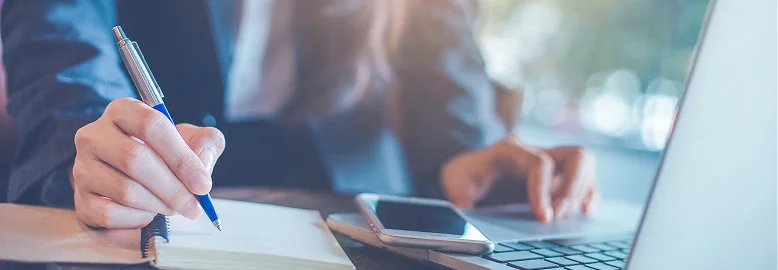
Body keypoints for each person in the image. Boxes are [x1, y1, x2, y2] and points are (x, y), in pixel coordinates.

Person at [1, 0, 598, 229]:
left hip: (346, 191)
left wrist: (464, 152)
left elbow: (434, 34)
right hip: (161, 185)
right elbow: (58, 30)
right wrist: (90, 145)